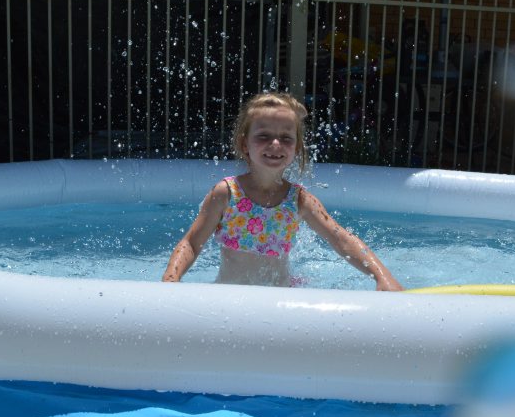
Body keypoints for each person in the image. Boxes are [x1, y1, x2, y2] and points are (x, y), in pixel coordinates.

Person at [162, 92, 403, 291]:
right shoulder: (226, 193)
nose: (275, 144)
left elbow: (341, 239)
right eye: (264, 136)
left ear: (296, 147)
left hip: (282, 301)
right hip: (230, 297)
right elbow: (192, 243)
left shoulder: (299, 200)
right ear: (245, 144)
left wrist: (382, 276)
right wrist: (171, 281)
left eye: (286, 138)